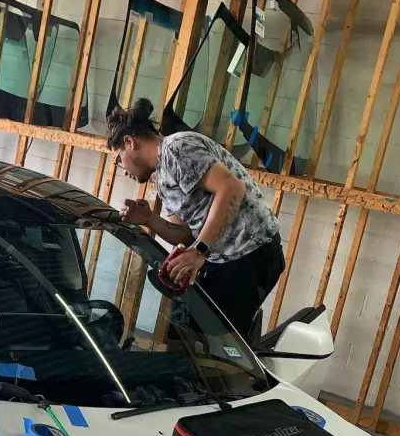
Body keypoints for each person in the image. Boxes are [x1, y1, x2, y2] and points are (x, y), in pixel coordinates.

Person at [108, 98, 285, 340]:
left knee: (213, 347)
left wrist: (199, 250)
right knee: (184, 336)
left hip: (249, 254)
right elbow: (186, 235)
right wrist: (149, 219)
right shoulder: (162, 178)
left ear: (129, 142)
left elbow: (232, 188)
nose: (123, 169)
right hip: (224, 260)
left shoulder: (177, 148)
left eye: (118, 160)